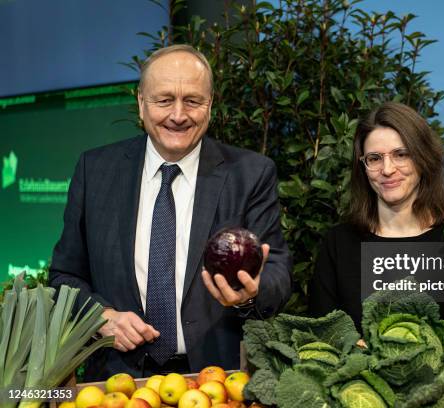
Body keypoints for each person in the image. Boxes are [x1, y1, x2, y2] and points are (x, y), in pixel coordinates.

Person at [49, 44, 292, 380]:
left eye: (192, 100)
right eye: (164, 100)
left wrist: (249, 295)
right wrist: (100, 316)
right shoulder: (96, 170)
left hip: (217, 380)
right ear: (141, 102)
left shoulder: (251, 173)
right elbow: (64, 276)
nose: (178, 115)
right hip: (115, 381)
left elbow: (278, 274)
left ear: (209, 105)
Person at [308, 102, 444, 327]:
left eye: (401, 154)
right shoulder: (339, 242)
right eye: (374, 158)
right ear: (363, 166)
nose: (387, 170)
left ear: (423, 158)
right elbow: (322, 331)